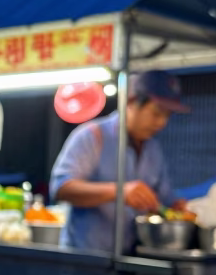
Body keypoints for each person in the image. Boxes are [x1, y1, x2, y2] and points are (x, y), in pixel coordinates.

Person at [50, 70, 190, 252]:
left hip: (130, 258)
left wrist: (177, 206)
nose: (162, 122)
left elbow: (163, 199)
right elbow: (61, 188)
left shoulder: (153, 149)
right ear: (130, 103)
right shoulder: (92, 136)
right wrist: (119, 191)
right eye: (157, 113)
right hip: (86, 260)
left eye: (168, 115)